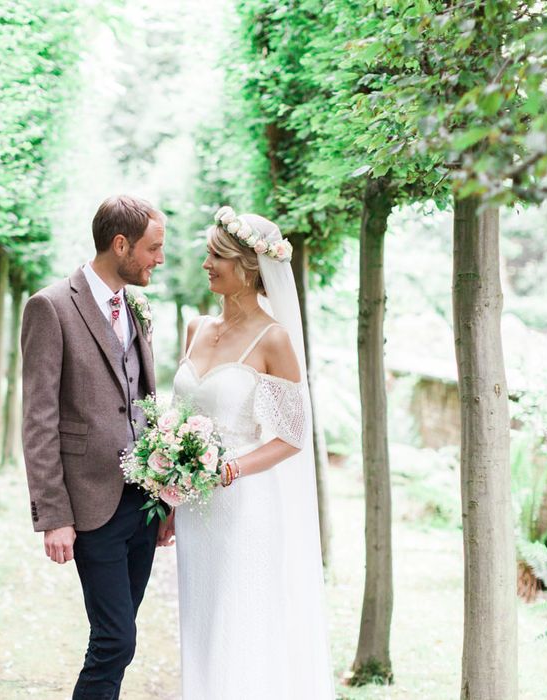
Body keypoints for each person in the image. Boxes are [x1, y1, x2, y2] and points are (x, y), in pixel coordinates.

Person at [159, 206, 333, 699]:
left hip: (245, 507)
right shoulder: (195, 328)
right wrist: (171, 498)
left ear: (249, 268)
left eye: (218, 256)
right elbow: (181, 416)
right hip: (194, 509)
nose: (207, 264)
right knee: (202, 621)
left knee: (240, 624)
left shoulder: (273, 339)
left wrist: (229, 468)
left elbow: (292, 436)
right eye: (208, 255)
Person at [20, 195, 166, 700]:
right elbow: (38, 420)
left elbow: (145, 400)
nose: (159, 259)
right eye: (153, 248)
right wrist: (53, 515)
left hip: (142, 504)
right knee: (114, 640)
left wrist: (165, 497)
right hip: (90, 505)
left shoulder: (136, 306)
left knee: (116, 641)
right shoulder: (51, 306)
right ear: (120, 244)